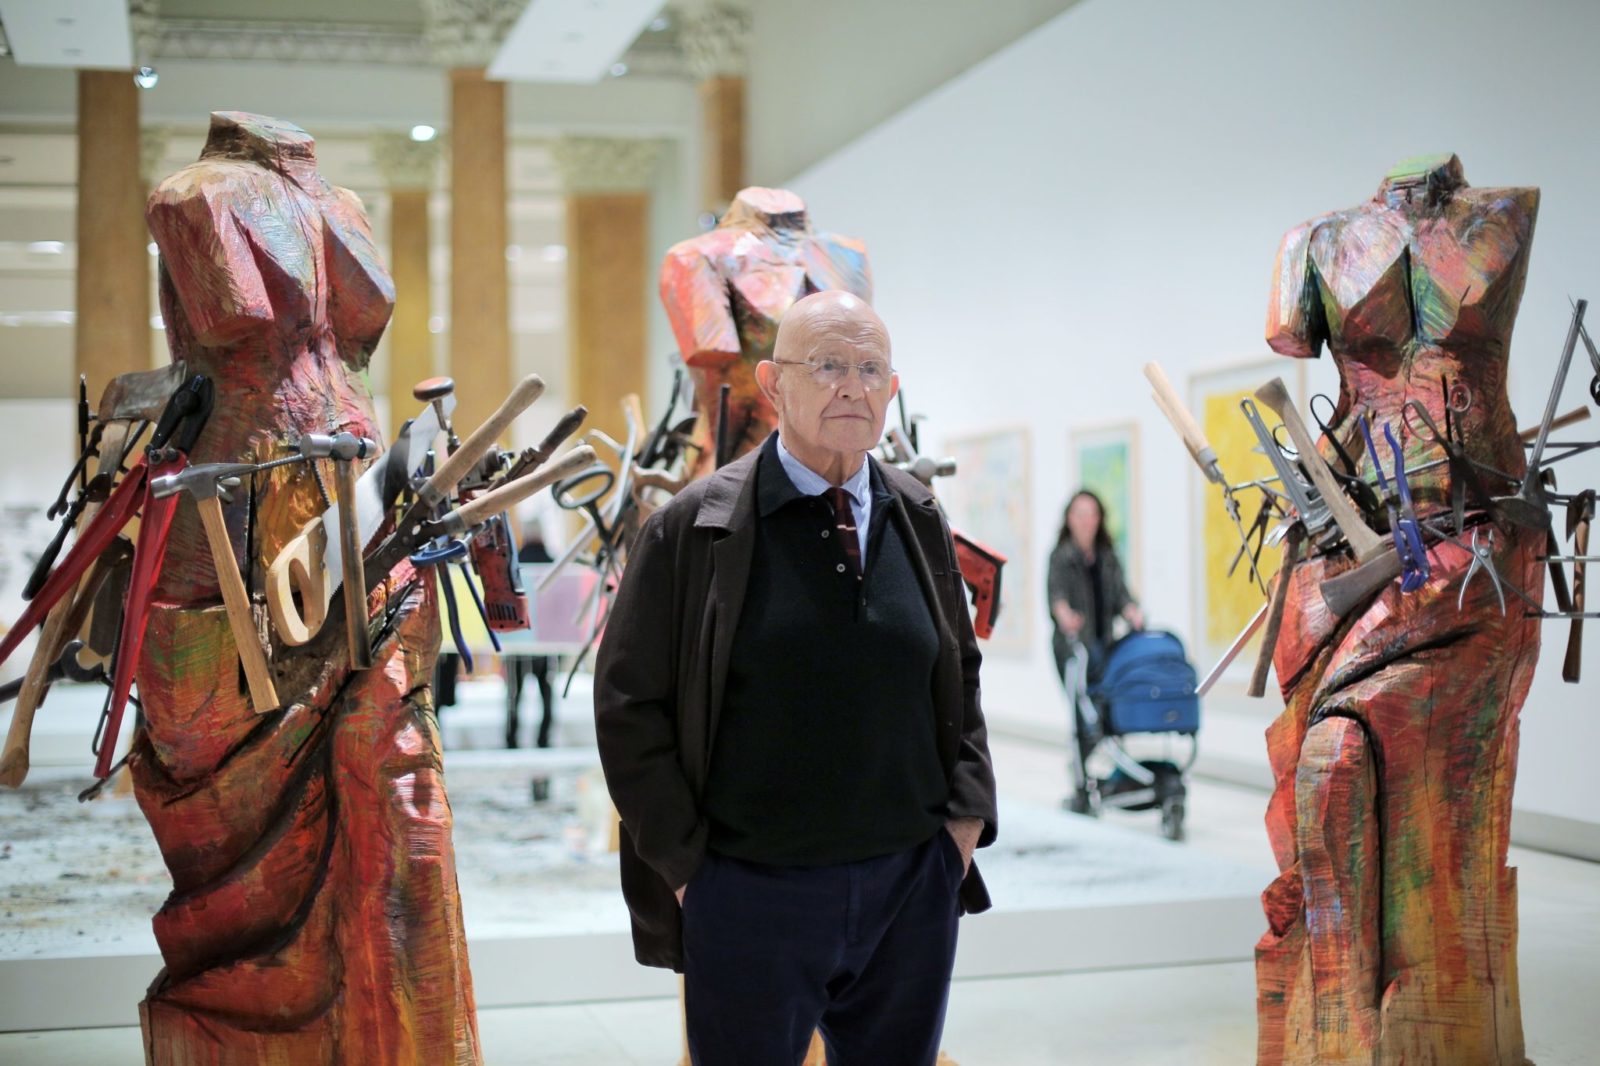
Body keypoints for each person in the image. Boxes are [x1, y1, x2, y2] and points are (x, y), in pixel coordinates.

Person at [595, 290, 996, 1066]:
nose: (852, 387)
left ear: (892, 389)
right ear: (774, 385)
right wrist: (688, 871)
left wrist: (963, 826)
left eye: (870, 369)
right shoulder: (692, 528)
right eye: (827, 365)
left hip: (910, 890)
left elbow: (960, 672)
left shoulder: (918, 514)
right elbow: (627, 705)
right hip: (750, 894)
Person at [1046, 489, 1143, 685]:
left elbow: (1121, 595)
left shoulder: (1108, 557)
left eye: (1091, 515)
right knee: (1084, 700)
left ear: (1099, 519)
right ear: (1070, 519)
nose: (1086, 521)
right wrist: (1066, 616)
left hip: (1106, 644)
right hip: (1075, 647)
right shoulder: (1061, 557)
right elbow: (1057, 596)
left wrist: (1132, 612)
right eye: (1081, 515)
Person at [504, 522, 554, 748]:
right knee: (546, 690)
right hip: (545, 640)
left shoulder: (514, 564)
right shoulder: (553, 563)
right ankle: (544, 737)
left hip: (517, 637)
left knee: (514, 692)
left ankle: (511, 737)